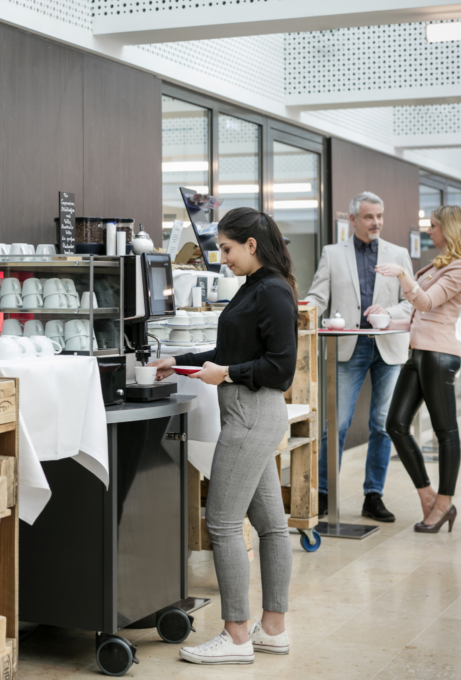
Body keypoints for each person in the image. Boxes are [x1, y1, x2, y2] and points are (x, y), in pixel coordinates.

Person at [149, 207, 297, 665]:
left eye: (228, 250)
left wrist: (228, 373)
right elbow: (228, 351)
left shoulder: (272, 291)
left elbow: (282, 369)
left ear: (251, 246)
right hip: (253, 414)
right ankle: (272, 629)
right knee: (272, 527)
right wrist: (183, 360)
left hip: (252, 414)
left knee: (223, 522)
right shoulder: (256, 287)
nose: (223, 258)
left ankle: (235, 636)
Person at [304, 191, 414, 522]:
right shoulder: (332, 253)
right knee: (335, 424)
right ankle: (324, 493)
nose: (376, 222)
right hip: (347, 345)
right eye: (369, 217)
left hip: (388, 345)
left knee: (382, 423)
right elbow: (317, 297)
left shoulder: (399, 254)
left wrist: (389, 311)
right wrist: (299, 312)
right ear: (352, 220)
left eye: (379, 216)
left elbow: (412, 301)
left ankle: (373, 495)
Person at [382, 206, 461, 533]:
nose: (430, 231)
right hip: (420, 352)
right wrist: (385, 319)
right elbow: (418, 315)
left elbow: (425, 302)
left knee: (445, 432)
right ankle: (427, 496)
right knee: (395, 423)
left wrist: (401, 274)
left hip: (438, 355)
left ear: (450, 230)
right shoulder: (442, 263)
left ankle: (445, 502)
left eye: (434, 226)